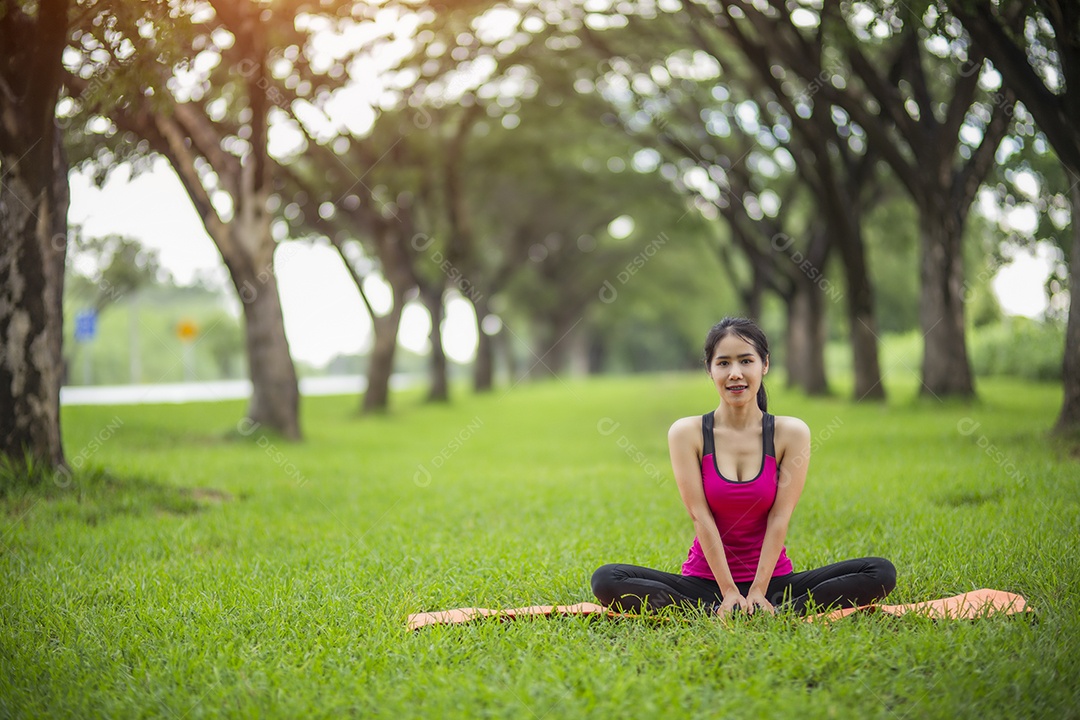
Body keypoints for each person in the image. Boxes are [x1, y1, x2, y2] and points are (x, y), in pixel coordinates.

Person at [591, 317, 896, 616]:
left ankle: (770, 608)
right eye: (723, 363)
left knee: (879, 572)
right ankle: (723, 609)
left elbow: (780, 516)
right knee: (606, 579)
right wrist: (729, 591)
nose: (735, 373)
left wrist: (759, 590)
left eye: (745, 361)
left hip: (774, 584)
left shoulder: (790, 433)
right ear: (710, 370)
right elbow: (700, 516)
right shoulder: (687, 433)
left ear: (764, 365)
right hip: (705, 583)